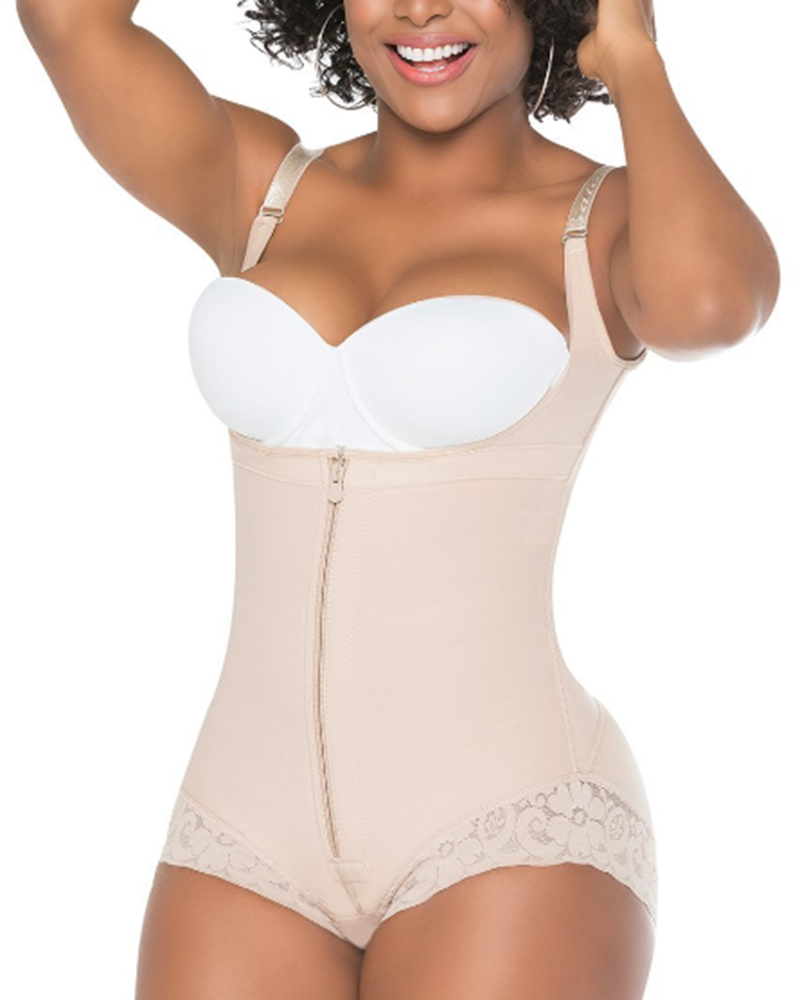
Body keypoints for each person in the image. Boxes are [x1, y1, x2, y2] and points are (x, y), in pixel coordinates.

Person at [17, 1, 780, 998]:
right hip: (242, 824)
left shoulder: (599, 223)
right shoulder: (257, 186)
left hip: (507, 822)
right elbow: (65, 21)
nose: (420, 8)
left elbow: (712, 306)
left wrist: (632, 56)